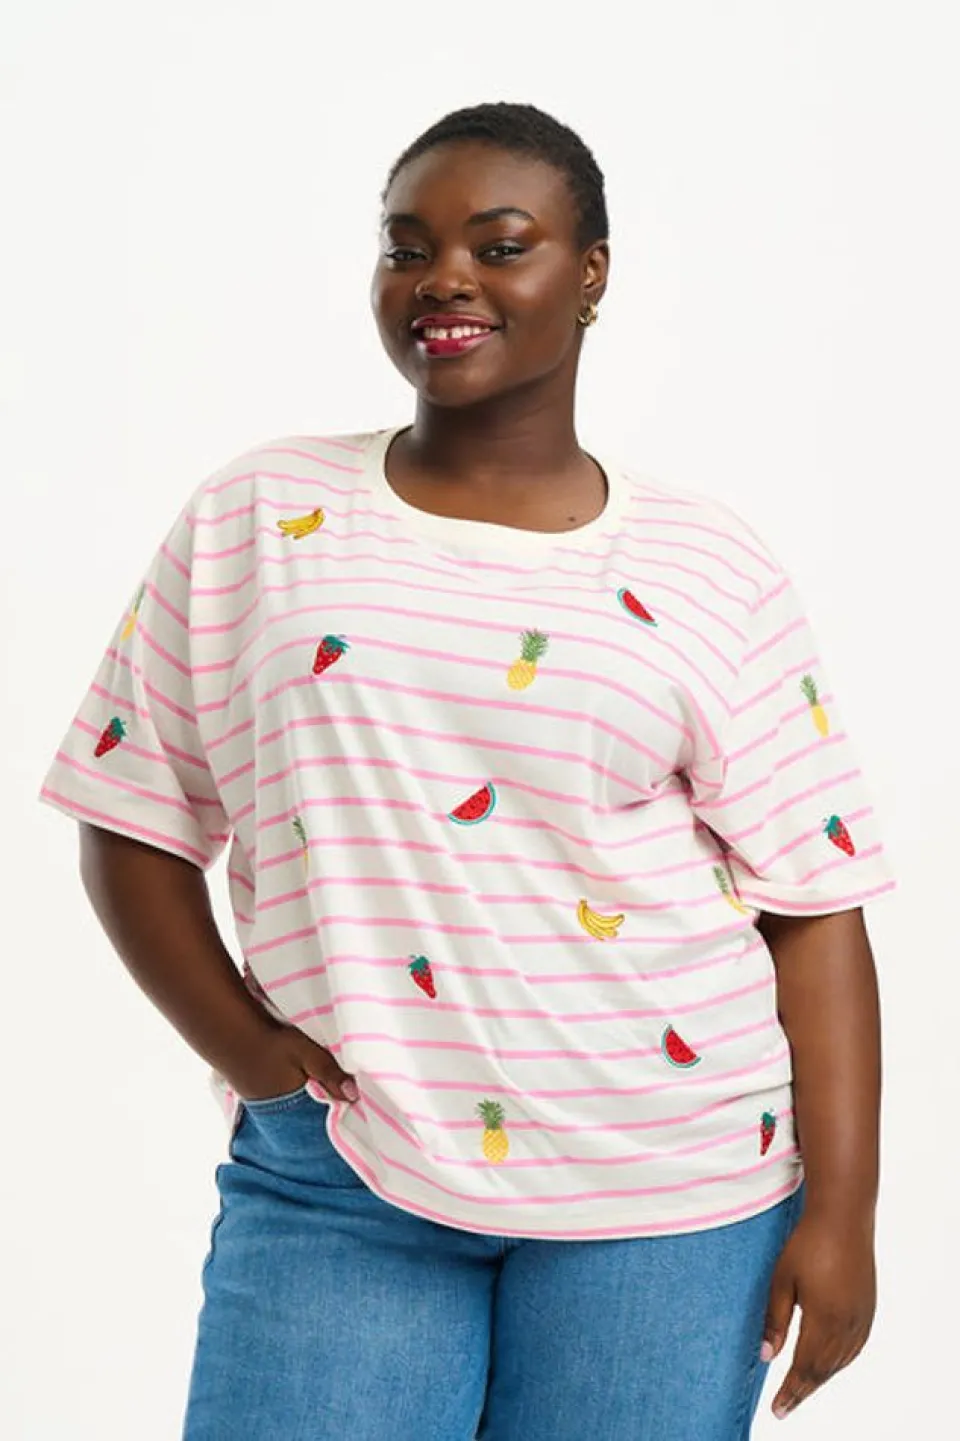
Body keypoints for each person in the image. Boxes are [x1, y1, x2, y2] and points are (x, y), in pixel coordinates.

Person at [39, 101, 895, 1440]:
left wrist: (845, 1215)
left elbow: (816, 905)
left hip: (670, 1195)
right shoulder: (261, 516)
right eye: (408, 247)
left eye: (500, 247)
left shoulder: (708, 565)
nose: (444, 279)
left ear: (590, 273)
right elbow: (130, 811)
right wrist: (257, 1061)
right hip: (343, 1176)